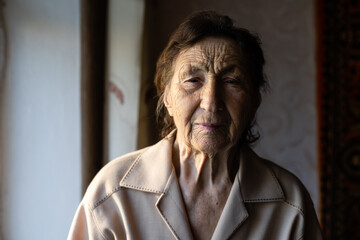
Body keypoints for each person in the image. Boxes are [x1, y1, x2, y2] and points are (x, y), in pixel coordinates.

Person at [68, 11, 322, 240]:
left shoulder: (289, 205)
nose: (211, 102)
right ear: (167, 98)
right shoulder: (113, 193)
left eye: (232, 81)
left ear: (254, 101)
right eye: (192, 80)